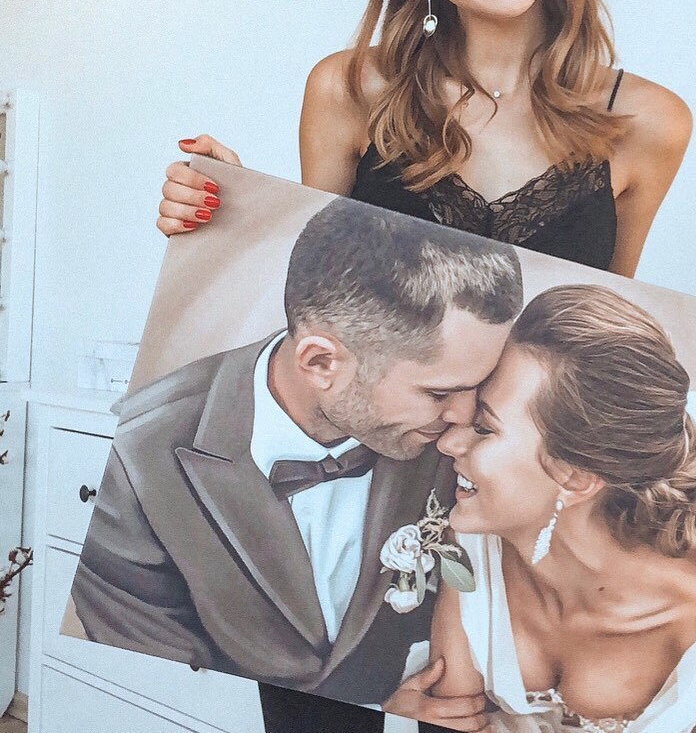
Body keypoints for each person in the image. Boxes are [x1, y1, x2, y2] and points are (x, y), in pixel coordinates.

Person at [151, 0, 696, 729]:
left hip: (506, 524)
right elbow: (313, 293)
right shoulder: (350, 90)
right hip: (358, 511)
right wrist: (225, 213)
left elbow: (593, 320)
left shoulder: (648, 123)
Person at [71, 198, 521, 730]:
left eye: (478, 387)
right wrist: (375, 712)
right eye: (439, 392)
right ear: (321, 362)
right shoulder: (138, 461)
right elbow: (157, 691)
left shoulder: (468, 446)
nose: (465, 420)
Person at [422, 284, 696, 733]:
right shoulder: (471, 548)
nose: (449, 442)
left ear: (576, 477)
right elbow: (449, 716)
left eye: (483, 427)